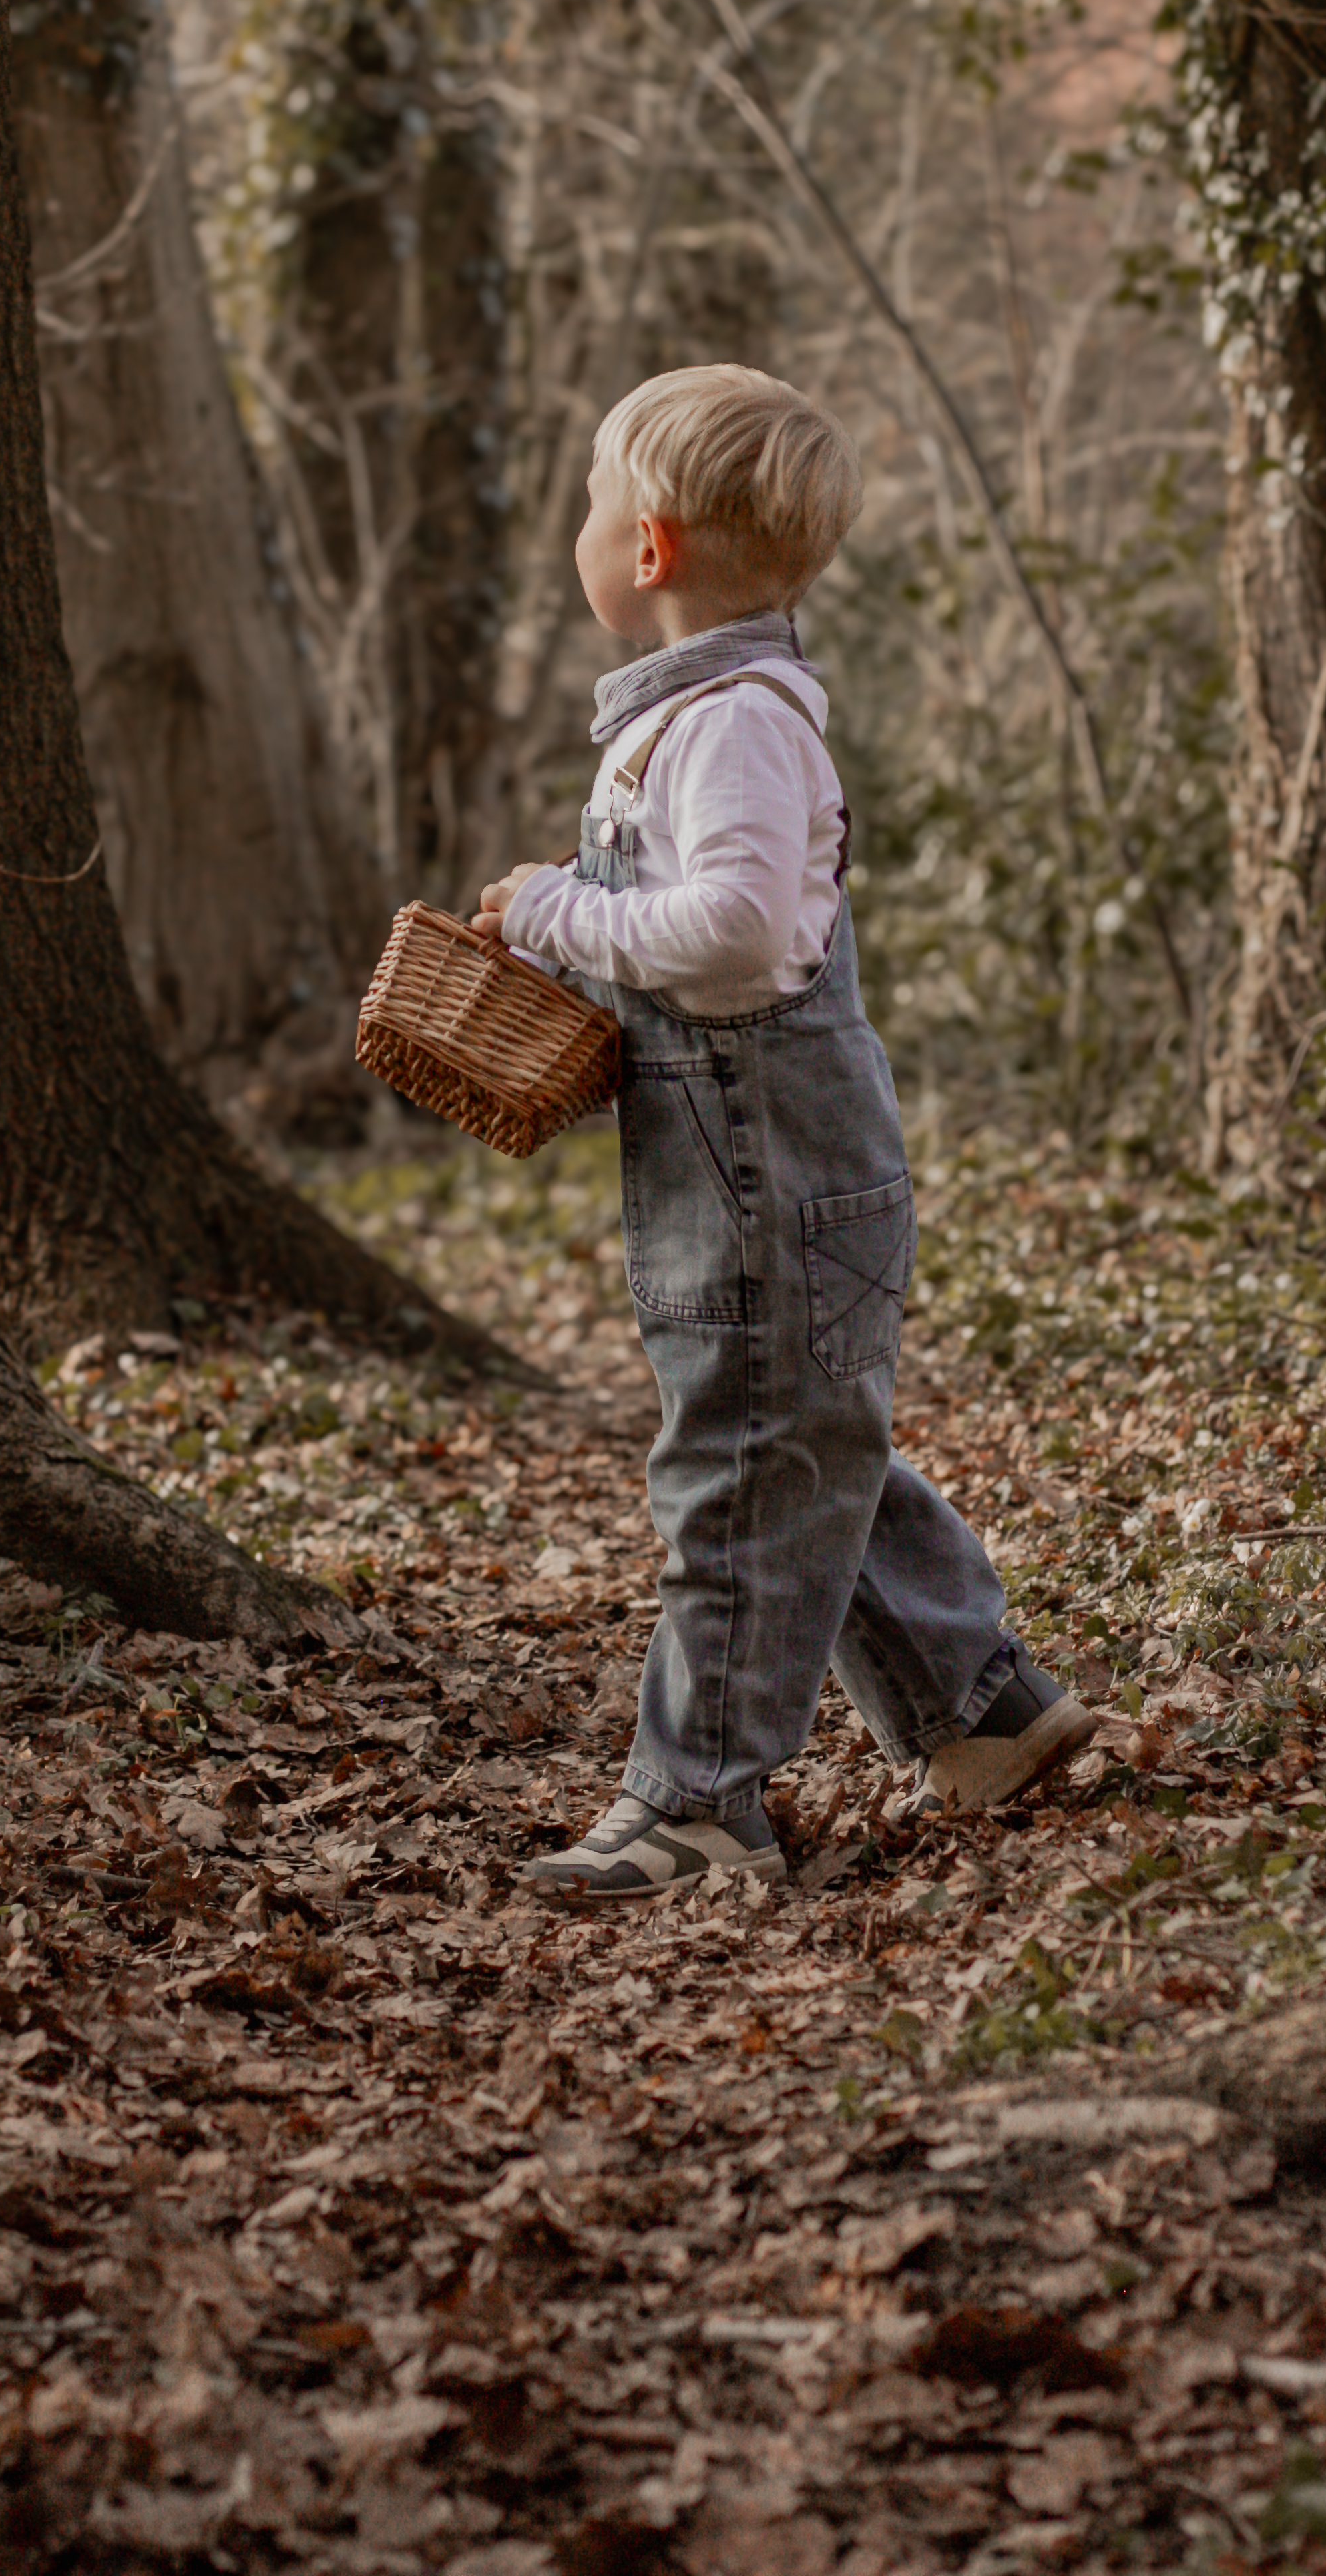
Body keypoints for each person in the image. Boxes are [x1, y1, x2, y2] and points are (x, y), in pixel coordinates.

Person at [475, 364, 1095, 1900]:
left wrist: (561, 906)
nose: (587, 530)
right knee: (806, 1440)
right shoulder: (688, 719)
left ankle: (700, 1801)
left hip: (775, 1180)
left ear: (654, 547)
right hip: (738, 1173)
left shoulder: (737, 722)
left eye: (597, 503)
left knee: (747, 1467)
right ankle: (981, 1710)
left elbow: (745, 933)